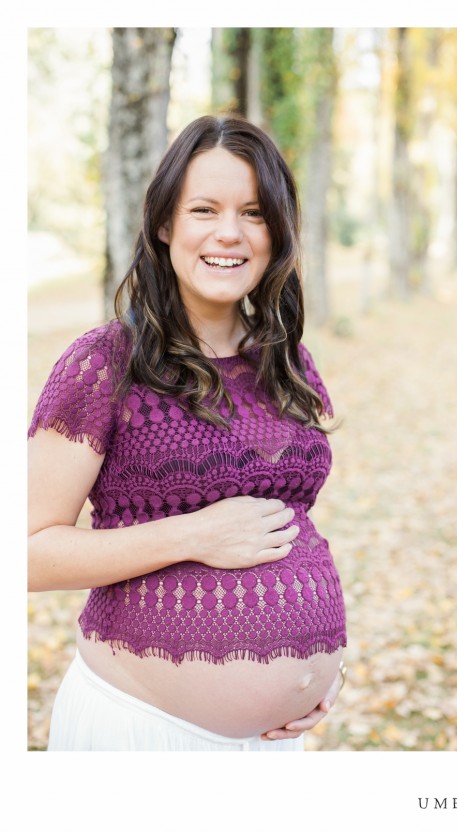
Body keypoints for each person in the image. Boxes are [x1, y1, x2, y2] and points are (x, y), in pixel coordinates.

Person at [28, 115, 346, 751]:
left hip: (275, 744)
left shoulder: (285, 361)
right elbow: (24, 552)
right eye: (204, 208)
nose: (229, 233)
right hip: (143, 734)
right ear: (166, 225)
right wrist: (194, 534)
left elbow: (286, 529)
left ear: (277, 231)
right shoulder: (104, 366)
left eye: (254, 213)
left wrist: (317, 674)